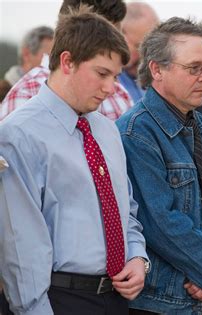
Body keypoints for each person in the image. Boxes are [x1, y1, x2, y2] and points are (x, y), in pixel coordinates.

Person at [0, 7, 148, 315]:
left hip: (118, 298)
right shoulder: (18, 134)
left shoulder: (107, 130)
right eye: (102, 74)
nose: (111, 88)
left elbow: (126, 210)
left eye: (117, 77)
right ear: (67, 62)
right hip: (60, 300)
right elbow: (20, 245)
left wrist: (136, 256)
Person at [116, 17, 202, 315]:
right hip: (164, 304)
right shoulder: (135, 133)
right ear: (157, 69)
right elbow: (162, 224)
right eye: (194, 68)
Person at [0, 0, 132, 121]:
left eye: (117, 35)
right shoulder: (25, 97)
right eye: (103, 37)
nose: (117, 45)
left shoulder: (120, 95)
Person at [118, 2, 159, 104]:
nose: (143, 56)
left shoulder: (154, 80)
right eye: (137, 46)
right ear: (121, 32)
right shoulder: (108, 80)